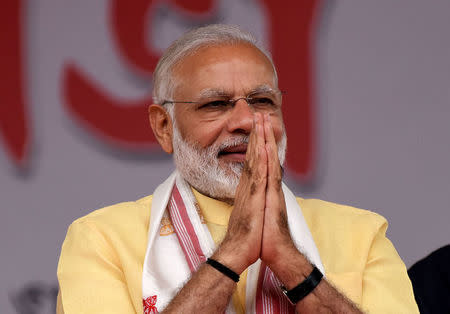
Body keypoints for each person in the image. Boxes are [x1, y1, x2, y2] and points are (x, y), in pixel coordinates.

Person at [57, 24, 419, 313]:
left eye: (263, 101)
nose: (246, 120)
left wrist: (291, 262)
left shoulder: (362, 234)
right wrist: (233, 251)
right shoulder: (101, 240)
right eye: (216, 104)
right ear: (164, 127)